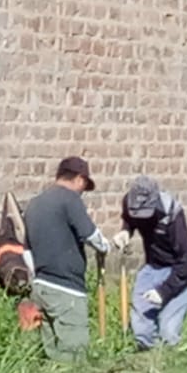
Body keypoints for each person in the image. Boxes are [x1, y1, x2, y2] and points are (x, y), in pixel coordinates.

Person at [22, 155, 110, 361]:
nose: (82, 192)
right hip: (67, 291)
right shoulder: (70, 199)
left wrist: (36, 279)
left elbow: (26, 251)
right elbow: (90, 234)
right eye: (84, 186)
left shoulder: (35, 204)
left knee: (52, 354)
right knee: (74, 356)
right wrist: (105, 247)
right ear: (79, 179)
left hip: (41, 287)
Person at [116, 176, 187, 349]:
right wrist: (125, 232)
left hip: (175, 272)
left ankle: (168, 366)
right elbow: (130, 220)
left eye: (146, 213)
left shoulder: (171, 213)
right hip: (151, 268)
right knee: (141, 330)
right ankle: (145, 360)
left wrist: (163, 291)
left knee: (168, 334)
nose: (142, 218)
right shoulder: (129, 202)